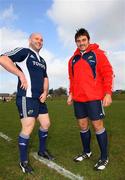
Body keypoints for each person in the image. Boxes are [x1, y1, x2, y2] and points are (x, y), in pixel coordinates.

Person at [0, 33, 54, 174]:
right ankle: (23, 161)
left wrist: (45, 91)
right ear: (30, 40)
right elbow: (3, 58)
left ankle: (42, 151)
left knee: (46, 124)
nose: (39, 41)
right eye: (36, 39)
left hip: (39, 99)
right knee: (28, 127)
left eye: (41, 39)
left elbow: (45, 77)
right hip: (26, 98)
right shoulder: (24, 52)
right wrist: (20, 74)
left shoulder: (42, 60)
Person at [67, 28, 114, 170]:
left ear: (88, 40)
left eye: (83, 40)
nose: (81, 43)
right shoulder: (72, 59)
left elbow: (108, 73)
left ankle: (104, 157)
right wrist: (71, 93)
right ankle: (87, 151)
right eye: (78, 41)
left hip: (94, 98)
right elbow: (72, 78)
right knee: (82, 126)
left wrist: (108, 93)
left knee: (97, 126)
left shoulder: (98, 54)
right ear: (76, 42)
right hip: (78, 99)